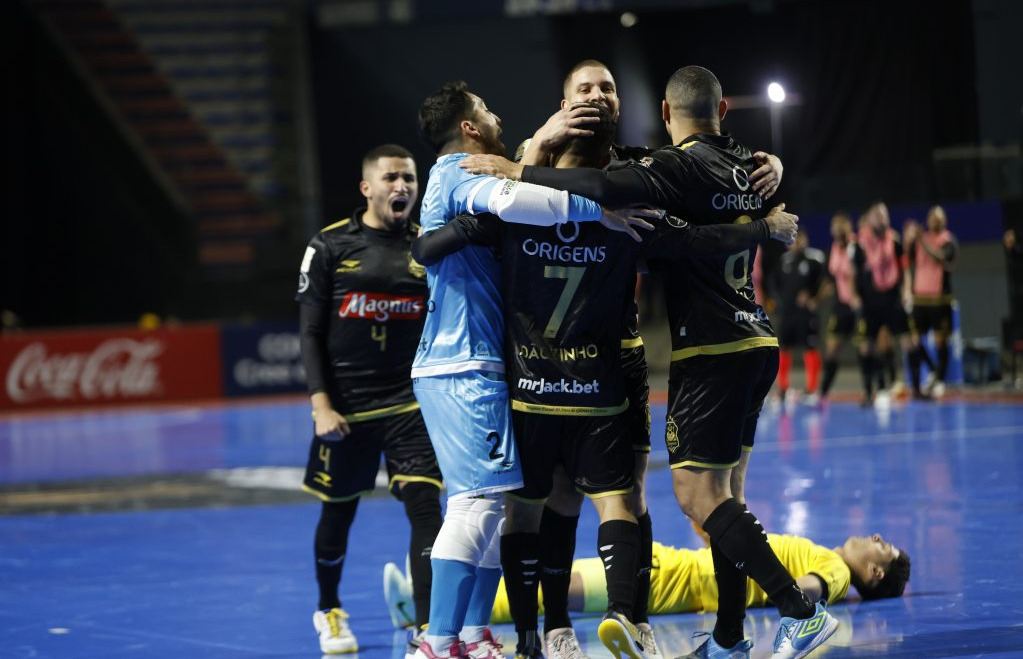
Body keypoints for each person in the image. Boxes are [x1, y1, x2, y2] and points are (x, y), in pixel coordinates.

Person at [460, 65, 840, 659]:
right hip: (745, 339)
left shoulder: (651, 170)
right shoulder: (730, 162)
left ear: (662, 113)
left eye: (607, 88)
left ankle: (790, 611)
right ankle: (729, 637)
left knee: (686, 497)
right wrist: (768, 198)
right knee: (720, 496)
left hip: (678, 353)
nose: (596, 97)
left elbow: (626, 199)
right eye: (583, 90)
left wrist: (517, 165)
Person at [410, 81, 652, 659]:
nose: (495, 114)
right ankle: (436, 643)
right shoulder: (463, 169)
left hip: (477, 360)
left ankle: (472, 636)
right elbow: (521, 200)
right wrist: (604, 211)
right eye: (486, 108)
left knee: (491, 502)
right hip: (462, 361)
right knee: (478, 503)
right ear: (469, 127)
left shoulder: (462, 174)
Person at [295, 144, 444, 655]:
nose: (401, 187)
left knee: (427, 507)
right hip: (347, 409)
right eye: (390, 179)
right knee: (338, 513)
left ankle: (429, 631)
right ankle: (330, 610)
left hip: (410, 405)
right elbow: (311, 332)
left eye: (409, 178)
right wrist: (321, 405)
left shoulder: (429, 245)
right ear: (367, 188)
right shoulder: (330, 246)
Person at [482, 532, 910, 622]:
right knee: (560, 581)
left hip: (681, 581)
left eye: (883, 547)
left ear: (873, 573)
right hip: (680, 566)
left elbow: (809, 591)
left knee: (557, 590)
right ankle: (448, 601)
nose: (876, 537)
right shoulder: (821, 550)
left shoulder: (834, 569)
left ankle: (455, 609)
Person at [854, 202, 914, 403]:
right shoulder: (860, 245)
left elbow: (904, 269)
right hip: (871, 302)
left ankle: (917, 389)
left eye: (884, 214)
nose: (882, 218)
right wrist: (855, 296)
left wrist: (906, 291)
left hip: (892, 299)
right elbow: (854, 274)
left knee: (909, 342)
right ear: (870, 219)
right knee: (866, 347)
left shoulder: (895, 241)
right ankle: (869, 392)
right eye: (877, 215)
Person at [767, 230, 826, 404]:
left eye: (801, 238)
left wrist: (815, 298)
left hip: (806, 314)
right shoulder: (784, 260)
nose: (797, 242)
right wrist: (777, 302)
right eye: (794, 239)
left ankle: (812, 389)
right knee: (784, 348)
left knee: (810, 347)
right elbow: (773, 283)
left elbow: (826, 282)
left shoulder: (815, 259)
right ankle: (783, 389)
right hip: (787, 314)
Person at [904, 206, 958, 398]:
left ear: (944, 221)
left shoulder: (948, 240)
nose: (935, 221)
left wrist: (921, 240)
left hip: (939, 299)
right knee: (912, 340)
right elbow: (907, 260)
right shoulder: (920, 240)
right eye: (932, 218)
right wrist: (908, 238)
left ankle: (940, 381)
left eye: (939, 218)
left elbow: (940, 257)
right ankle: (921, 382)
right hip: (920, 298)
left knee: (940, 341)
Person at [819, 213, 863, 402]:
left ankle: (874, 390)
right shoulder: (833, 250)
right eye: (833, 227)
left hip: (859, 306)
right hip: (840, 307)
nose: (836, 230)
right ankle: (822, 393)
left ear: (848, 227)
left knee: (865, 348)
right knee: (831, 348)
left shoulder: (857, 247)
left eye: (840, 227)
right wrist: (816, 298)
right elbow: (830, 280)